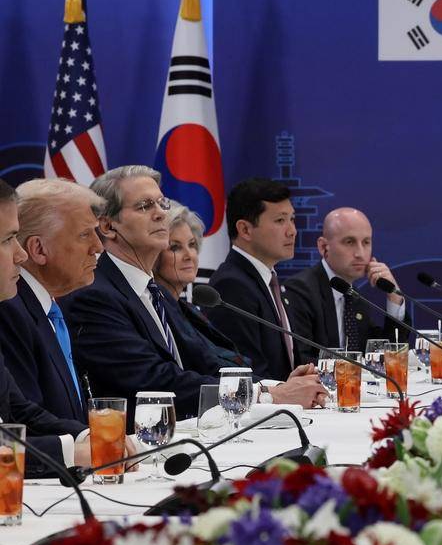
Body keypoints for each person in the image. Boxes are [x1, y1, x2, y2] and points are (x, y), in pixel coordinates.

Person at [62, 167, 326, 423]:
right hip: (141, 444)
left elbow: (207, 362)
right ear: (108, 226)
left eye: (162, 203)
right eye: (144, 206)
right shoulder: (94, 296)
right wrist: (267, 395)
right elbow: (154, 382)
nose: (160, 214)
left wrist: (277, 387)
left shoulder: (156, 293)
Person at [0, 177, 111, 476]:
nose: (99, 247)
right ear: (39, 249)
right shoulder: (10, 310)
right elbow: (16, 427)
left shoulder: (46, 307)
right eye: (9, 239)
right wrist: (72, 451)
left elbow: (19, 408)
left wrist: (86, 436)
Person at [284, 207, 410, 364]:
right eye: (349, 242)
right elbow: (301, 360)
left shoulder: (354, 297)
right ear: (323, 247)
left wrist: (394, 296)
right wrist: (349, 370)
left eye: (366, 242)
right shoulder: (301, 290)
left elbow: (388, 356)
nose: (360, 253)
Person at [207, 178, 301, 381]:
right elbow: (247, 372)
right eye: (280, 221)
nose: (292, 231)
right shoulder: (231, 286)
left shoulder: (268, 281)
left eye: (292, 219)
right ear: (245, 230)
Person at [153, 202, 250, 371]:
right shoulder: (156, 312)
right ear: (153, 256)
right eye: (175, 247)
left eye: (192, 245)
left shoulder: (189, 311)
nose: (189, 255)